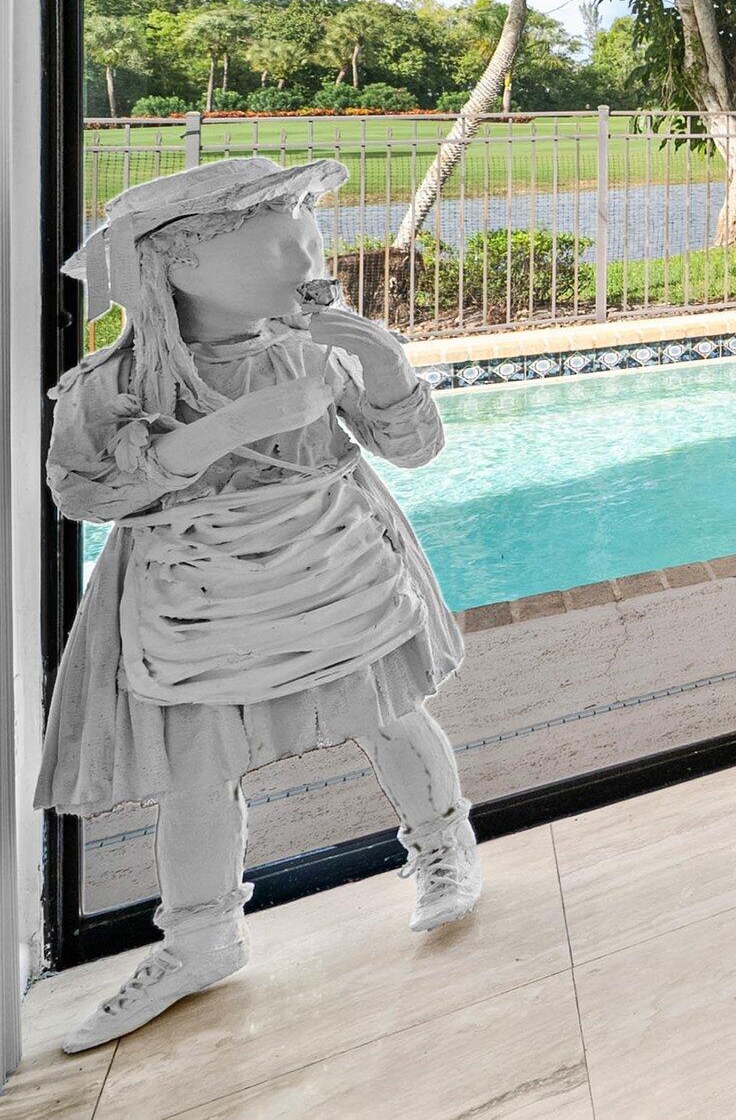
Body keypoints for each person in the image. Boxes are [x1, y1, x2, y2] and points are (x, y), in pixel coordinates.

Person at [40, 157, 478, 1053]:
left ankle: (444, 845)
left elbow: (413, 450)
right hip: (198, 602)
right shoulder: (114, 386)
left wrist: (386, 365)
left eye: (310, 239)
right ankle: (199, 938)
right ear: (182, 264)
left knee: (391, 715)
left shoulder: (315, 348)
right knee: (198, 769)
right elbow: (82, 492)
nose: (309, 261)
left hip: (335, 572)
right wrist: (222, 432)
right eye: (281, 246)